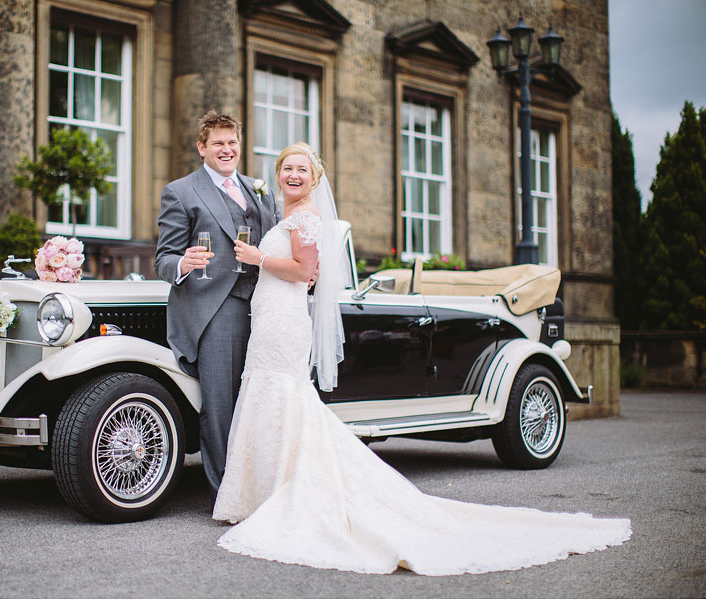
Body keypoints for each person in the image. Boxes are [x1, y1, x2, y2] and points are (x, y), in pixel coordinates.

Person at [212, 142, 632, 575]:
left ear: (314, 179)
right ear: (278, 174)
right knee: (268, 395)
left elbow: (303, 271)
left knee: (286, 397)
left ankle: (289, 493)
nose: (293, 174)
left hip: (285, 322)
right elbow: (306, 270)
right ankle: (265, 493)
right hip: (268, 317)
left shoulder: (307, 218)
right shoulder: (286, 217)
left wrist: (259, 256)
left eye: (302, 169)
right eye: (287, 168)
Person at [154, 112, 283, 499]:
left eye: (232, 143)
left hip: (263, 304)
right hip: (216, 309)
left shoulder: (258, 189)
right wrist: (183, 262)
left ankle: (260, 482)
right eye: (218, 144)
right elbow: (163, 259)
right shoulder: (180, 192)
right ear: (202, 148)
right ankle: (227, 491)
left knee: (260, 396)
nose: (226, 150)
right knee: (220, 403)